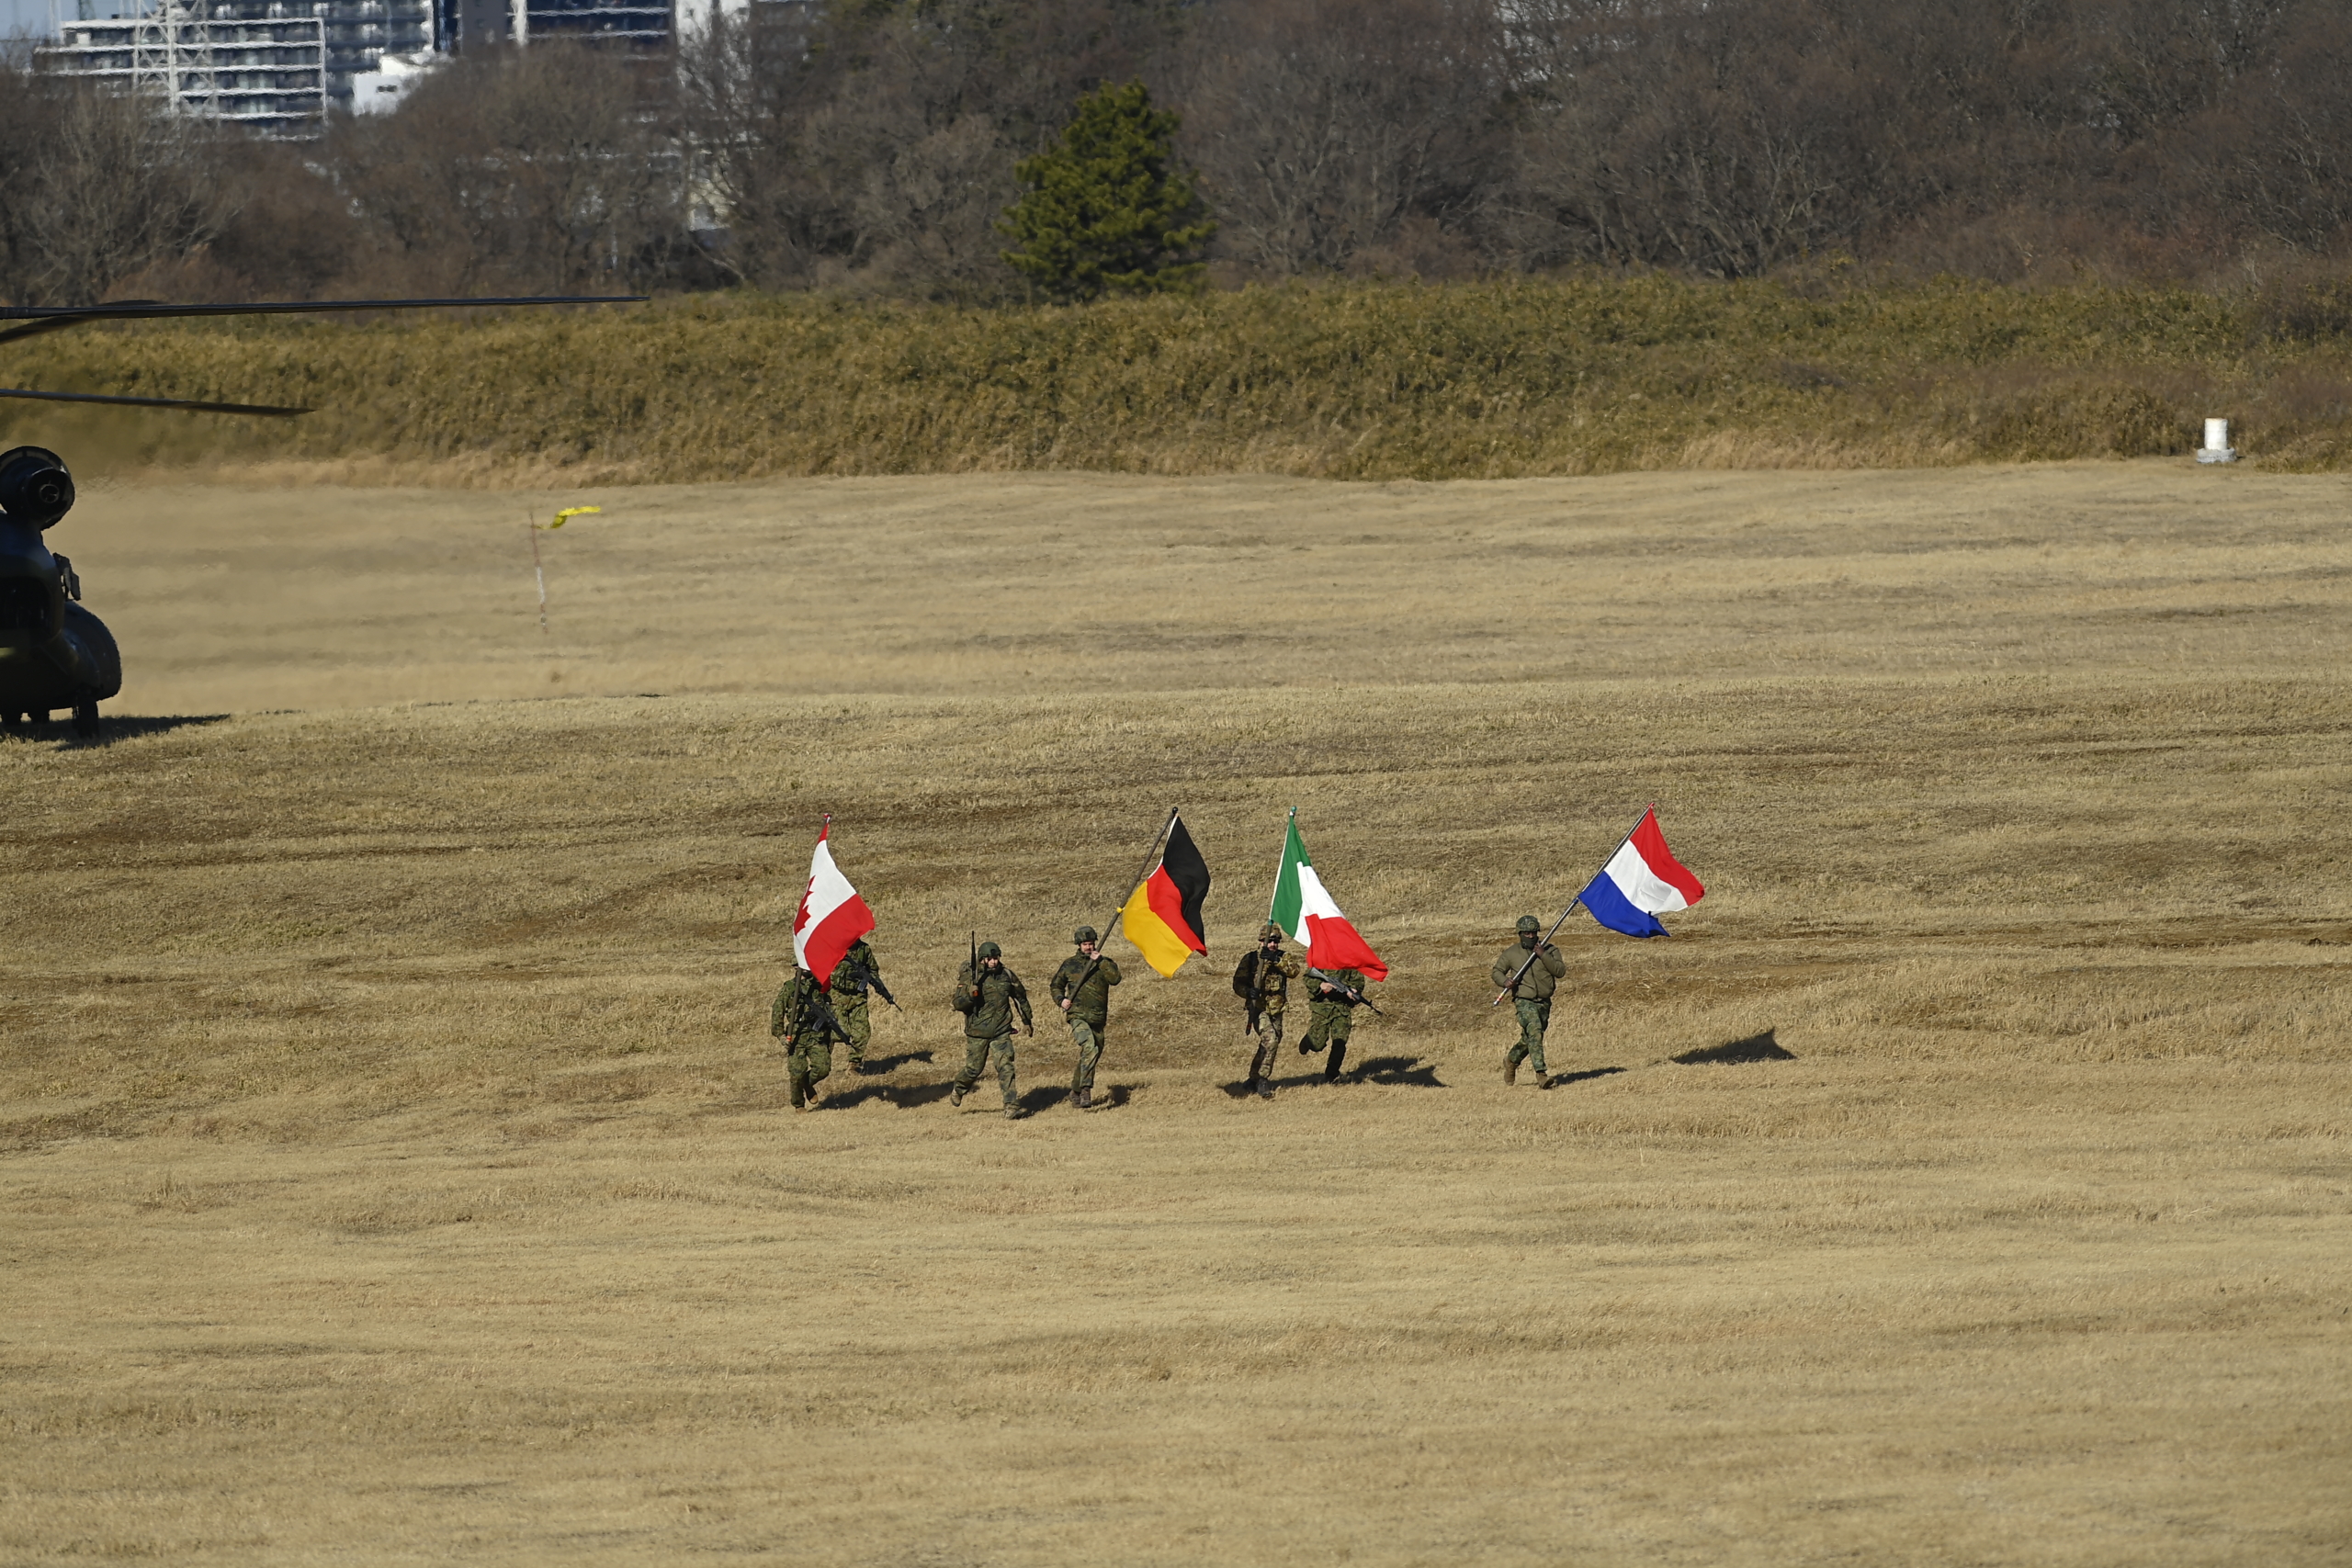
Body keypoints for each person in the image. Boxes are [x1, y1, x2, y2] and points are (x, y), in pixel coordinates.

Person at [950, 940, 1033, 1118]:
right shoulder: (971, 978)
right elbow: (957, 1003)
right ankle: (959, 1088)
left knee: (1006, 1067)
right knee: (973, 1069)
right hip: (977, 1033)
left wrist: (1027, 1021)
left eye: (996, 958)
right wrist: (970, 996)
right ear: (982, 960)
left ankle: (1011, 1106)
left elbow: (1021, 998)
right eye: (990, 959)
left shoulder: (1007, 976)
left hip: (1001, 1031)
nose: (994, 961)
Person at [1049, 926, 1122, 1110]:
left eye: (1090, 944)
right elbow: (1056, 985)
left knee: (1091, 1054)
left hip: (1098, 1017)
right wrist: (1061, 1000)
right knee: (1089, 1047)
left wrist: (1101, 961)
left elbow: (1115, 979)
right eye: (1085, 944)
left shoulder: (1104, 962)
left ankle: (1074, 1091)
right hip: (1078, 1015)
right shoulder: (1069, 964)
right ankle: (1085, 1090)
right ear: (1079, 945)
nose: (1088, 947)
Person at [1491, 915, 1567, 1086]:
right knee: (1534, 1031)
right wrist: (1505, 981)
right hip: (1524, 1000)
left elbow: (1560, 971)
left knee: (1532, 1038)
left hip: (1544, 1002)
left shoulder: (1550, 950)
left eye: (1533, 933)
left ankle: (1511, 1060)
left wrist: (1543, 955)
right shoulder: (1512, 953)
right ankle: (1541, 1075)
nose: (1531, 936)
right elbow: (1497, 971)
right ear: (1520, 933)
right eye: (1527, 933)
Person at [1232, 922, 1302, 1100]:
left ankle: (1252, 1078)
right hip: (1259, 1009)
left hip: (1277, 1008)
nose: (1273, 944)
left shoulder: (1282, 957)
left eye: (1276, 941)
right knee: (1270, 1040)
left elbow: (1294, 971)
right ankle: (1263, 1080)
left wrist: (1276, 960)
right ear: (1261, 940)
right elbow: (1238, 983)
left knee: (1269, 1044)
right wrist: (1248, 992)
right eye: (1270, 941)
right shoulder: (1251, 959)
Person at [770, 964, 848, 1111]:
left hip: (816, 1036)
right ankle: (798, 1104)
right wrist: (780, 1036)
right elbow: (777, 1012)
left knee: (823, 1068)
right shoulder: (790, 989)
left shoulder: (819, 987)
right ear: (796, 967)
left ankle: (807, 1083)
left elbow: (831, 1006)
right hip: (797, 1038)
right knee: (797, 1073)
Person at [828, 935, 892, 1070]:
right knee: (840, 1032)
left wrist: (878, 985)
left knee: (863, 1033)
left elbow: (873, 970)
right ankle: (822, 1058)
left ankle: (854, 1065)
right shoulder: (834, 949)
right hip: (836, 997)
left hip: (858, 998)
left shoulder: (864, 949)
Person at [1299, 964, 1372, 1082]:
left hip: (1342, 1008)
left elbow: (1358, 981)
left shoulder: (1350, 962)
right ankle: (1309, 1040)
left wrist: (1354, 990)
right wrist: (1321, 985)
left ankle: (1331, 1075)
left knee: (1340, 1043)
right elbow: (1307, 977)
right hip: (1322, 1008)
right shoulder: (1321, 959)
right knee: (1317, 1045)